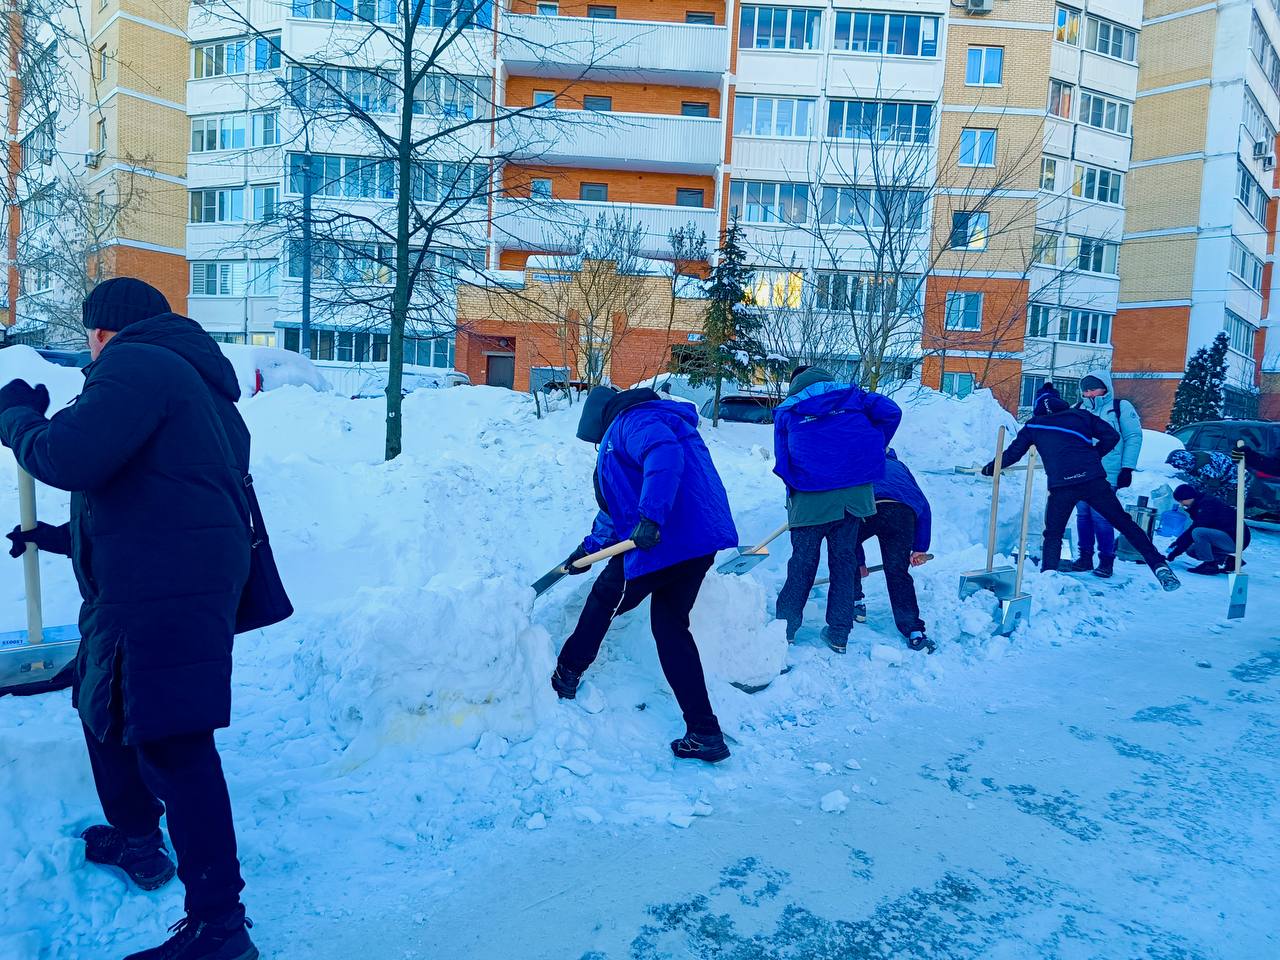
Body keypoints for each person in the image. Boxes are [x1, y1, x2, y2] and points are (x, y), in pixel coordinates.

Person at [0, 279, 259, 960]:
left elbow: (67, 457)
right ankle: (139, 837)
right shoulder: (187, 379)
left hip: (164, 590)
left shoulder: (139, 364)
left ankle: (220, 929)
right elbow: (154, 487)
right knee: (102, 700)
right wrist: (61, 536)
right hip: (162, 582)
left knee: (175, 744)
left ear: (102, 331)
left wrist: (16, 421)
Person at [551, 385, 739, 764]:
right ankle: (705, 732)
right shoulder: (661, 421)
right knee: (671, 628)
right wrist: (588, 551)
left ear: (602, 421)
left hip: (664, 542)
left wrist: (652, 517)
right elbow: (618, 507)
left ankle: (566, 673)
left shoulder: (631, 423)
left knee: (605, 598)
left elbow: (663, 456)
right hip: (697, 543)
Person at [983, 390, 1180, 592]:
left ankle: (1048, 580)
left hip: (1062, 487)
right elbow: (1112, 436)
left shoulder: (1034, 425)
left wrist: (991, 467)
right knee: (1124, 523)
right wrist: (1094, 455)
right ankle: (1158, 565)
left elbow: (1013, 454)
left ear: (1038, 410)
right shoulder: (1082, 416)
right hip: (1093, 480)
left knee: (1053, 534)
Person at [773, 366, 902, 654]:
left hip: (809, 498)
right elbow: (892, 412)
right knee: (844, 562)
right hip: (853, 500)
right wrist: (871, 449)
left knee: (803, 562)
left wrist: (797, 484)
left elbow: (783, 459)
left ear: (795, 384)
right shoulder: (854, 397)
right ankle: (839, 633)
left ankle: (786, 628)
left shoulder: (789, 409)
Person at [853, 449, 933, 653]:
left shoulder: (860, 459)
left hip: (869, 506)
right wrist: (919, 548)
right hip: (902, 513)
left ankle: (856, 603)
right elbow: (923, 505)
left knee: (845, 548)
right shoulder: (900, 468)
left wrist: (859, 562)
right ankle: (914, 631)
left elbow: (849, 507)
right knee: (897, 571)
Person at [1069, 371, 1143, 579]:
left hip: (1107, 474)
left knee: (1101, 516)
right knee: (1083, 515)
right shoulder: (1077, 409)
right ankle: (1085, 557)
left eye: (1093, 388)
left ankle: (1106, 561)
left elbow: (1133, 437)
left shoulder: (1120, 408)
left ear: (1105, 387)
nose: (1089, 393)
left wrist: (1127, 468)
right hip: (1081, 474)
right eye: (1086, 389)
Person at [1165, 484, 1250, 574]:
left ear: (1189, 497)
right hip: (1225, 537)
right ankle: (1229, 561)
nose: (1181, 504)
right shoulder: (1199, 505)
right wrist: (1177, 545)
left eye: (1182, 501)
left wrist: (1176, 550)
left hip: (1236, 539)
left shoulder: (1208, 504)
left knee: (1198, 532)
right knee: (1192, 550)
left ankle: (1209, 566)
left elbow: (1196, 528)